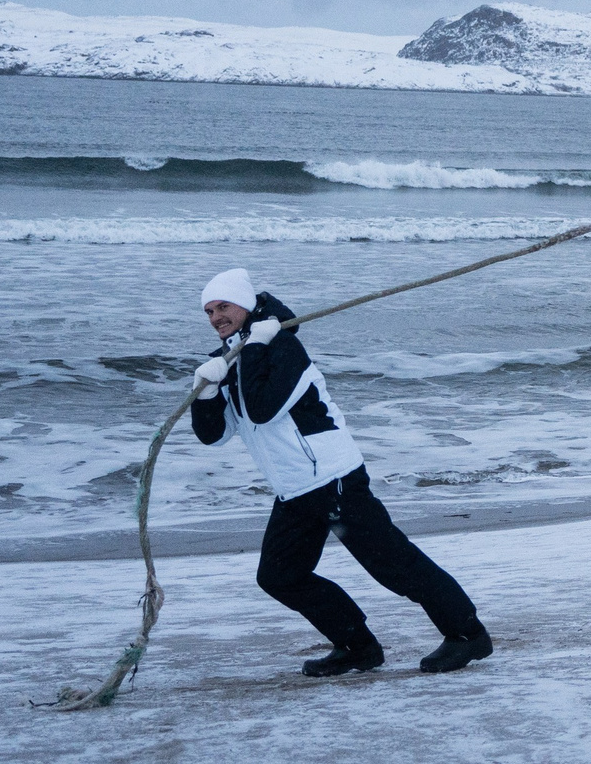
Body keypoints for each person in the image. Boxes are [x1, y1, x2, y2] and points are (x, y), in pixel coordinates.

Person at [191, 268, 494, 677]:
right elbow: (214, 435)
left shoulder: (283, 349)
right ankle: (357, 647)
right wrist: (207, 392)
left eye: (223, 306)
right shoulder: (235, 359)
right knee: (280, 576)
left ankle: (468, 635)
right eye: (209, 311)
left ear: (245, 305)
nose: (215, 317)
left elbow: (264, 409)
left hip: (333, 479)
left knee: (393, 565)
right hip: (294, 488)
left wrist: (257, 348)